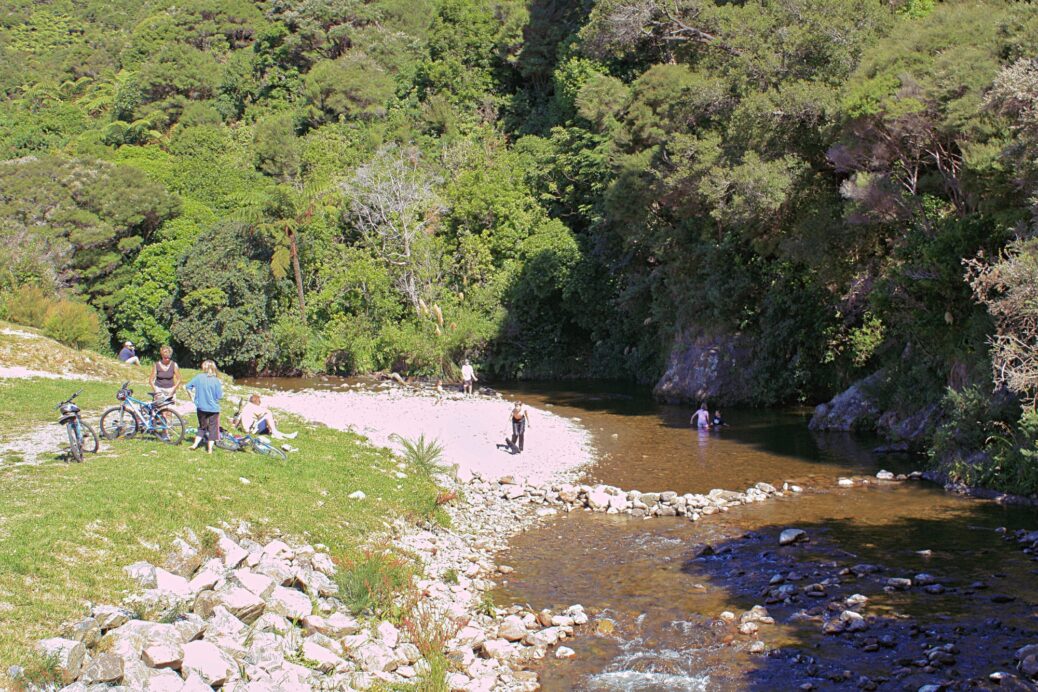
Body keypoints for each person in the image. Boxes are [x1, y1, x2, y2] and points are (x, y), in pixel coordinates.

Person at [185, 360, 223, 454]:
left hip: (201, 407)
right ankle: (209, 449)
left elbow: (187, 386)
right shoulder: (216, 380)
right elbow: (219, 396)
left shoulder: (198, 377)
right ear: (214, 368)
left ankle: (194, 445)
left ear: (204, 367)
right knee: (213, 429)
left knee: (202, 427)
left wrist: (192, 397)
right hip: (213, 409)